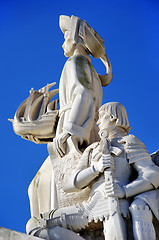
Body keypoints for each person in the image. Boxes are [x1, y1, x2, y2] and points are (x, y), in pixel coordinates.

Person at [27, 102, 159, 240]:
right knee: (35, 225)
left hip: (117, 205)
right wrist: (96, 168)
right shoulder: (93, 148)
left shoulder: (128, 142)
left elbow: (152, 174)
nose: (98, 122)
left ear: (113, 118)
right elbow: (70, 184)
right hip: (90, 207)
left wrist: (125, 191)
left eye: (102, 116)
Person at [27, 15, 112, 220]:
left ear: (75, 39)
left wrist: (71, 130)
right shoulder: (88, 67)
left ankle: (50, 226)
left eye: (65, 37)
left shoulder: (75, 61)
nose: (62, 43)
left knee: (38, 185)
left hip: (76, 132)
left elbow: (82, 95)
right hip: (84, 127)